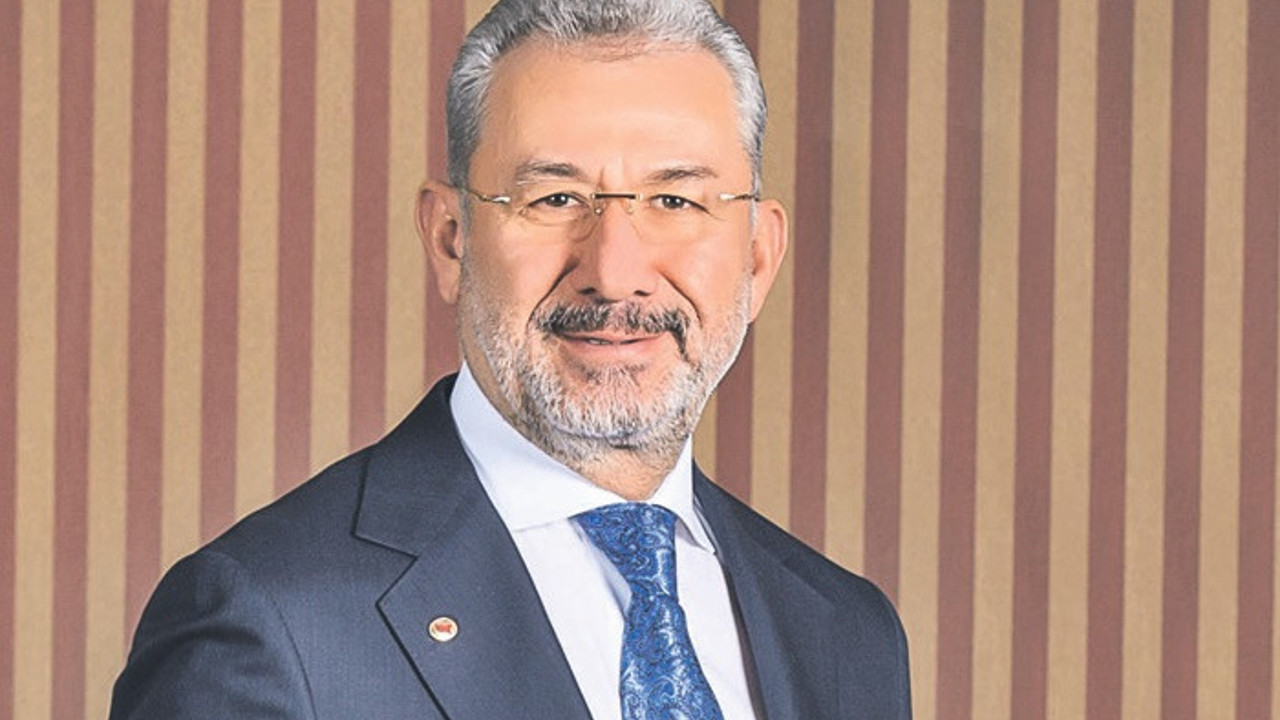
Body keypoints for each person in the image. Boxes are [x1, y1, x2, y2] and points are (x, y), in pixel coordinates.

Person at [109, 0, 911, 718]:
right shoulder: (268, 625)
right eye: (555, 198)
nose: (615, 271)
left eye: (675, 200)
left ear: (759, 256)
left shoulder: (848, 634)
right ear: (450, 240)